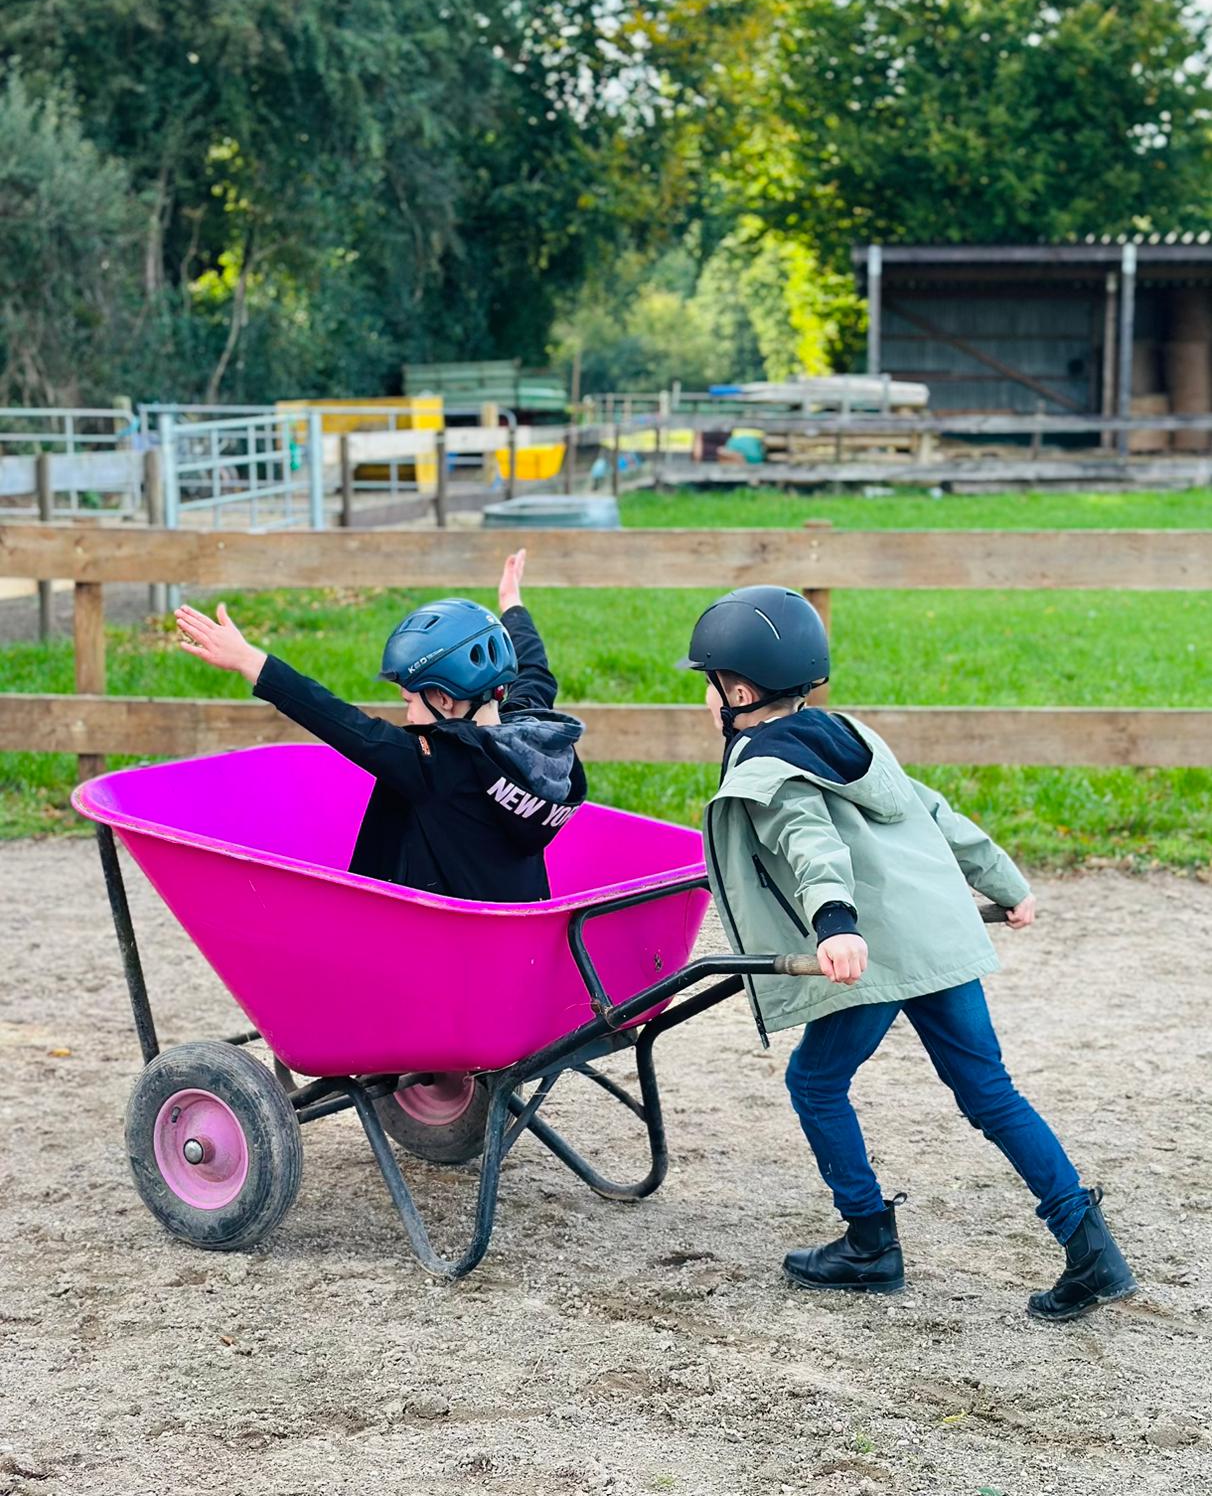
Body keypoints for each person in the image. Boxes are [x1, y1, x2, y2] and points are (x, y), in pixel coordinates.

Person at [681, 585, 1136, 1322]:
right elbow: (930, 807)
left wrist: (834, 924)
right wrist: (1005, 882)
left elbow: (811, 844)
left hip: (879, 950)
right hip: (938, 937)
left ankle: (868, 1243)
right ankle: (1090, 1249)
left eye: (707, 685)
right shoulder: (849, 737)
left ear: (737, 690)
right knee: (991, 1093)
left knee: (816, 1083)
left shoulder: (764, 768)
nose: (705, 700)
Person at [174, 550, 586, 903]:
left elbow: (343, 722)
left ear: (443, 699)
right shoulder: (530, 731)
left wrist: (250, 661)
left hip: (445, 948)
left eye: (410, 701)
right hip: (517, 938)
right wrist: (511, 604)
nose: (407, 716)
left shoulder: (438, 767)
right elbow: (533, 668)